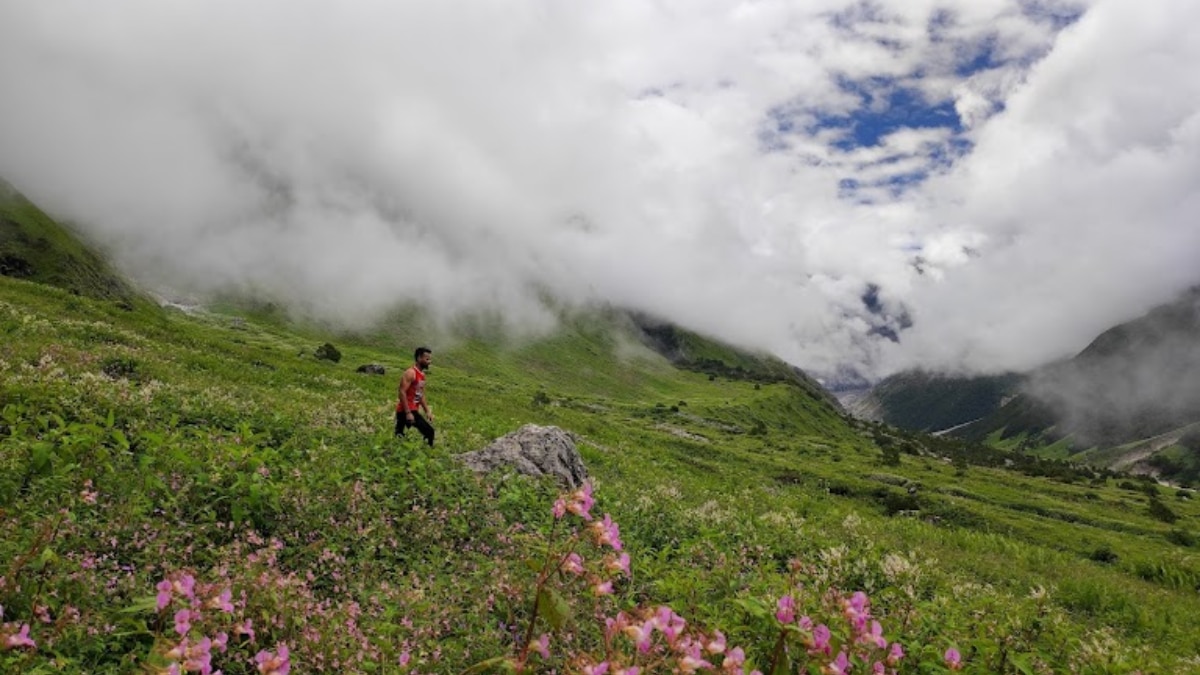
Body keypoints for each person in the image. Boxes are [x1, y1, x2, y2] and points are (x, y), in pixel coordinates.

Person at [395, 346, 435, 446]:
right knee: (429, 432)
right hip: (406, 410)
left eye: (430, 359)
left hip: (413, 410)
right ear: (419, 358)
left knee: (400, 435)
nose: (429, 361)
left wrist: (427, 411)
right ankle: (428, 454)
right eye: (427, 359)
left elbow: (420, 394)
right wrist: (408, 412)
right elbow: (402, 392)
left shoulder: (421, 375)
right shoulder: (410, 373)